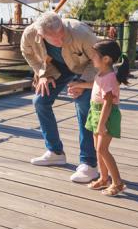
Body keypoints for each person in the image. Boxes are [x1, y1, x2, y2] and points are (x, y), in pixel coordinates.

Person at [20, 12, 99, 183]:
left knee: (83, 105)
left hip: (84, 70)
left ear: (62, 25)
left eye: (62, 34)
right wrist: (41, 74)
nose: (60, 41)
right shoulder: (30, 34)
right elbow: (27, 53)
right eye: (55, 39)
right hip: (55, 70)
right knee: (40, 101)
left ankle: (89, 164)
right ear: (41, 36)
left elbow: (98, 59)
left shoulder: (81, 33)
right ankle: (55, 152)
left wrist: (83, 83)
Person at [69, 39, 129, 196]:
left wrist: (102, 124)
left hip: (106, 115)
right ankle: (103, 179)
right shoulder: (101, 74)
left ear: (106, 59)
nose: (92, 58)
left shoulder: (109, 77)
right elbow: (95, 86)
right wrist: (78, 85)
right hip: (96, 112)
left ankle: (118, 183)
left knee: (103, 149)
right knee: (98, 149)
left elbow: (108, 103)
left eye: (95, 55)